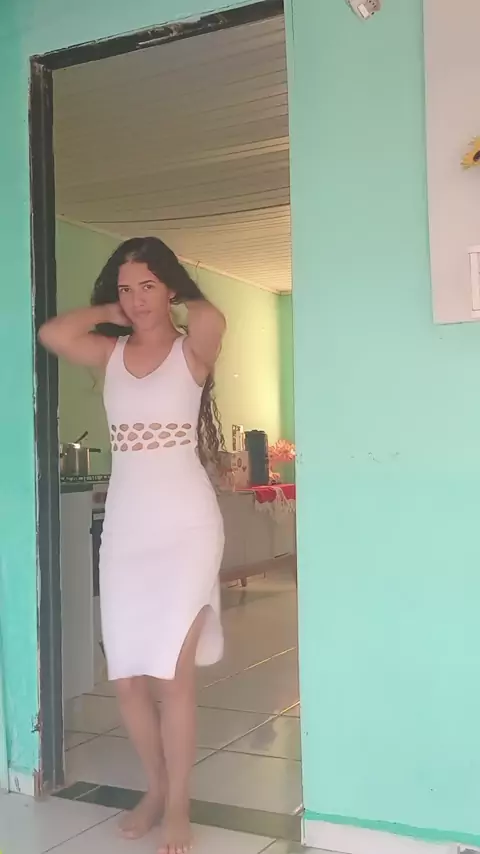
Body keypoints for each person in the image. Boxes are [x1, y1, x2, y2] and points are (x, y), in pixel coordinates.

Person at [39, 236, 226, 854]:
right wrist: (108, 311)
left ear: (170, 287)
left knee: (173, 674)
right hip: (126, 529)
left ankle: (178, 804)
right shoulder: (110, 353)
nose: (137, 298)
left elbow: (212, 315)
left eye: (148, 285)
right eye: (127, 288)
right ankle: (155, 787)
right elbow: (52, 334)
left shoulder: (192, 349)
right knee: (127, 676)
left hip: (186, 528)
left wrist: (176, 291)